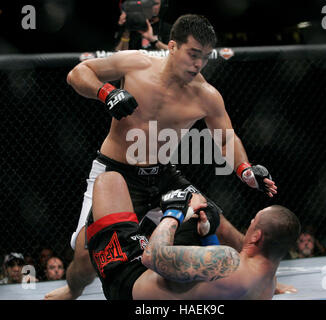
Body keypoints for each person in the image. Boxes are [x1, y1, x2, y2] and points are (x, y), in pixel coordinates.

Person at [45, 14, 277, 299]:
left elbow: (227, 138)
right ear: (172, 46)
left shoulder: (206, 95)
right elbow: (77, 74)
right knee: (85, 255)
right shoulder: (137, 63)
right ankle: (72, 290)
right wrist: (107, 93)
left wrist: (244, 169)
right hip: (115, 172)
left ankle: (259, 278)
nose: (198, 64)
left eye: (204, 57)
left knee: (219, 220)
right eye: (193, 54)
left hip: (162, 174)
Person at [86, 171, 300, 300]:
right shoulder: (267, 285)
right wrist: (206, 237)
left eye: (253, 222)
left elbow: (151, 257)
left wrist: (174, 212)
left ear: (256, 237)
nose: (249, 225)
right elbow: (212, 285)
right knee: (206, 218)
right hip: (156, 285)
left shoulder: (228, 261)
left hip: (126, 278)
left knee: (109, 180)